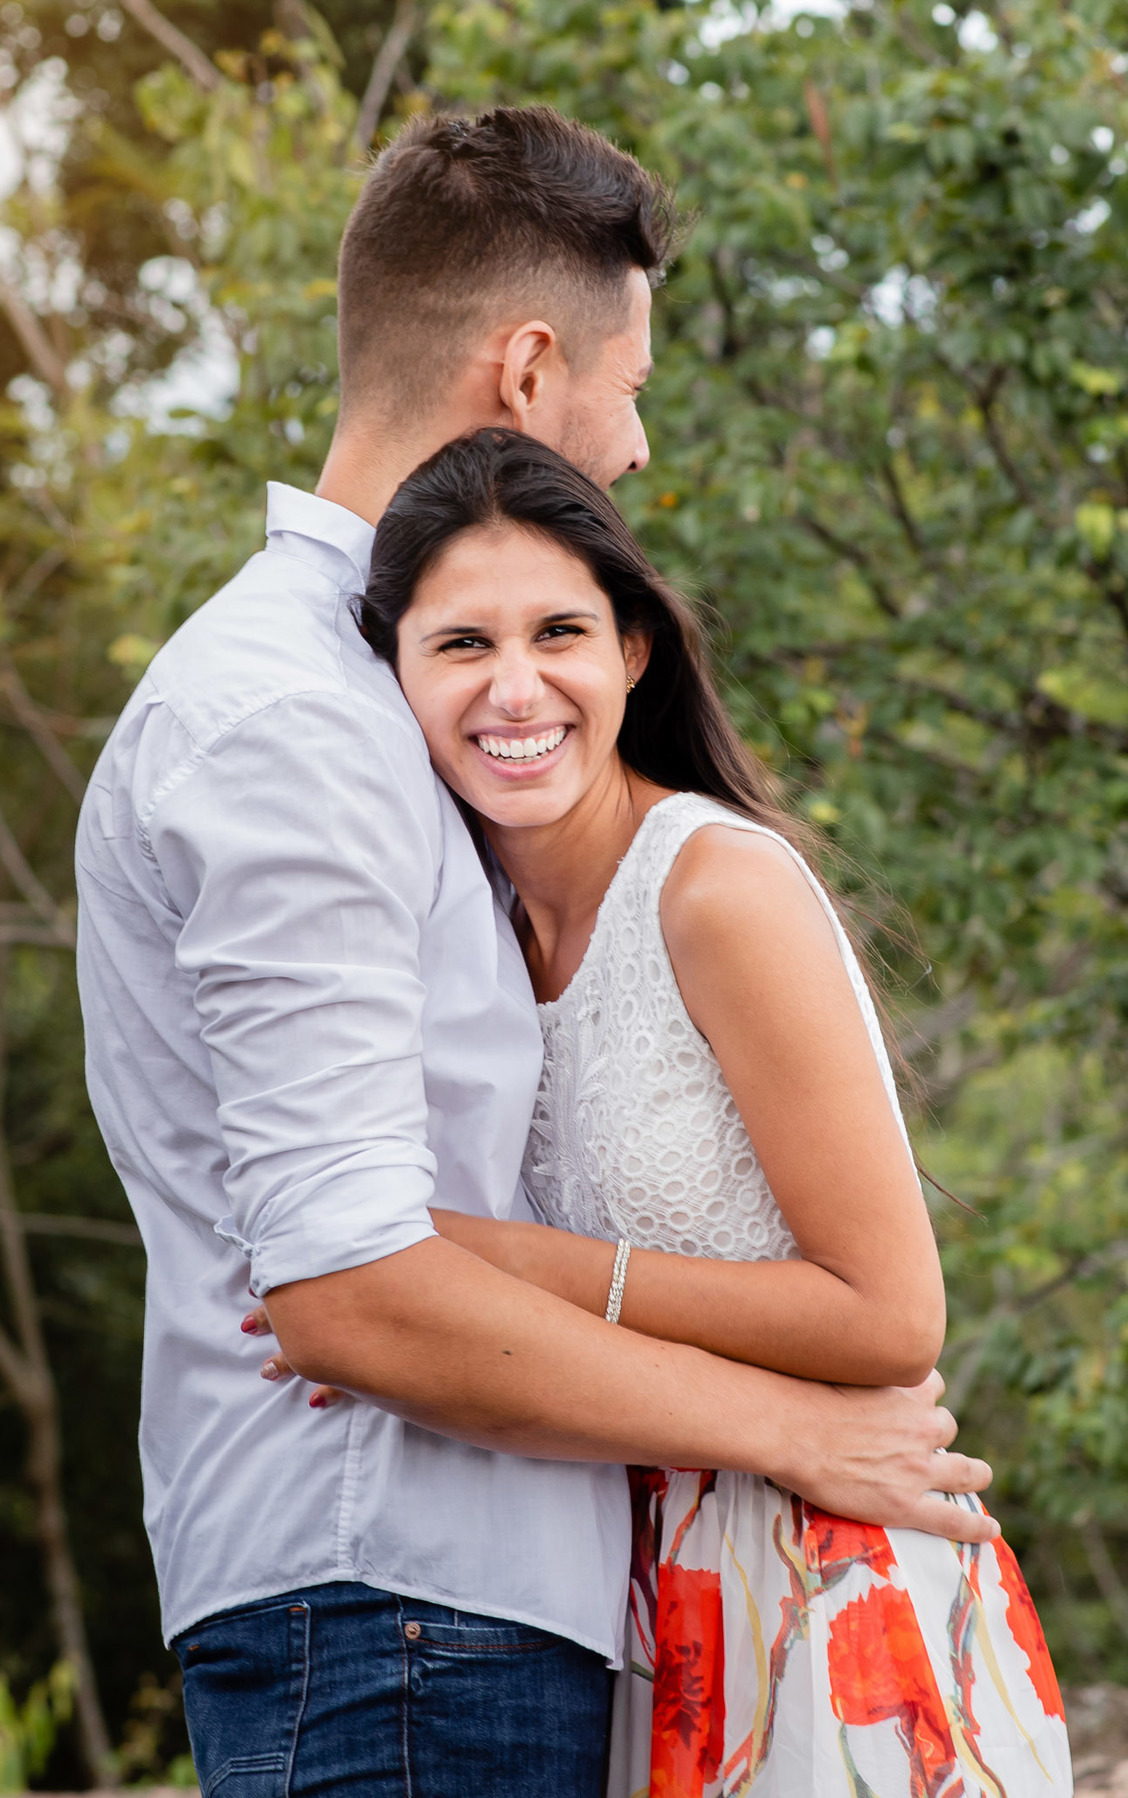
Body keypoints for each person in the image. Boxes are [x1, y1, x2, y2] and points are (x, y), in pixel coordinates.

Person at [75, 108, 997, 1798]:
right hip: (395, 1608)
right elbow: (350, 1289)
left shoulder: (402, 716)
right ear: (526, 369)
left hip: (481, 1613)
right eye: (629, 387)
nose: (635, 447)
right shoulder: (295, 720)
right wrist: (793, 1429)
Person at [329, 424, 1072, 1797]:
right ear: (396, 673)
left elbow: (893, 1311)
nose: (516, 686)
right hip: (630, 1605)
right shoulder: (456, 938)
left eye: (560, 630)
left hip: (834, 1580)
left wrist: (460, 1256)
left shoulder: (716, 888)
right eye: (461, 644)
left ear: (632, 653)